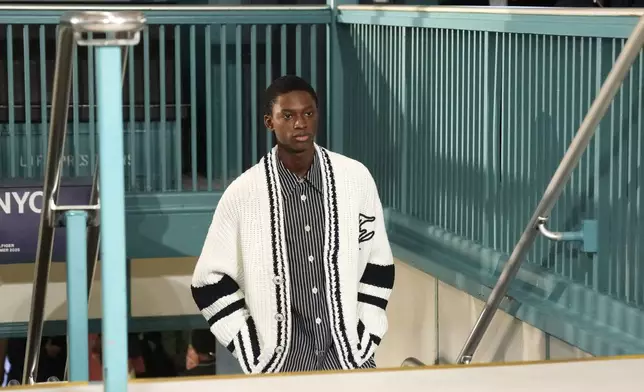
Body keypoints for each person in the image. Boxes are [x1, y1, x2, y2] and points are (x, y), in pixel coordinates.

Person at [191, 75, 395, 375]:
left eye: (308, 113)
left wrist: (366, 336)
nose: (300, 123)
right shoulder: (243, 194)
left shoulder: (356, 180)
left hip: (350, 361)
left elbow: (378, 265)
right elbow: (208, 282)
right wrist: (253, 349)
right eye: (288, 115)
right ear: (269, 122)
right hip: (280, 368)